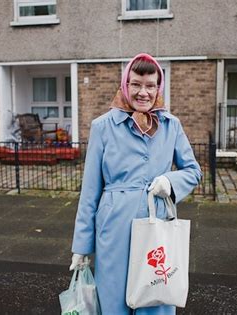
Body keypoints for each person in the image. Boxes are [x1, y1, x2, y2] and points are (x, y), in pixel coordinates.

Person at [69, 53, 202, 314]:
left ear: (158, 87)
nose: (143, 92)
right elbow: (90, 191)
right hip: (113, 227)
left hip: (156, 223)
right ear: (125, 85)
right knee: (113, 298)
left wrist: (169, 181)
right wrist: (82, 247)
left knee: (155, 295)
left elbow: (193, 171)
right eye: (136, 84)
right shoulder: (103, 127)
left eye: (150, 85)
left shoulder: (171, 125)